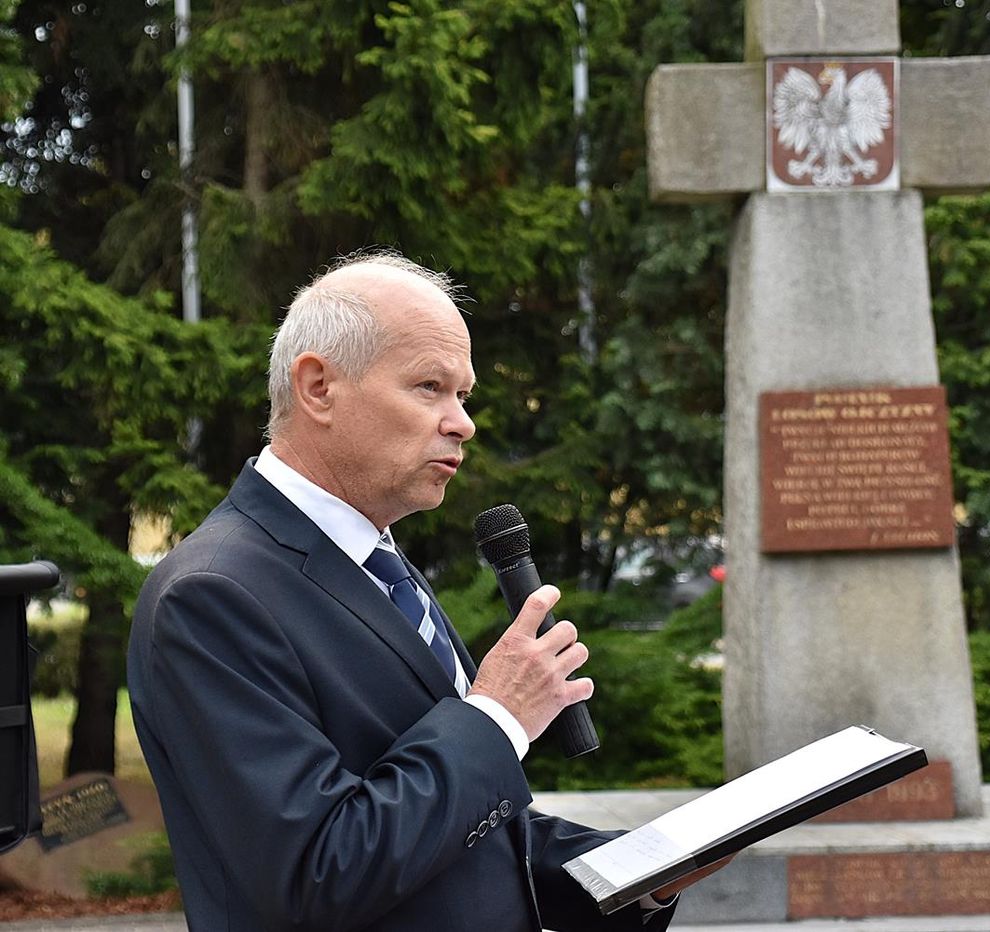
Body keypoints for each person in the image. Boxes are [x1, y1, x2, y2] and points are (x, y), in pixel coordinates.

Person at [128, 252, 705, 930]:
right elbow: (319, 872)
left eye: (464, 395)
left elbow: (465, 837)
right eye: (430, 387)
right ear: (317, 387)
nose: (463, 422)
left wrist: (642, 872)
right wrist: (498, 716)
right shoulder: (211, 596)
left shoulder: (379, 566)